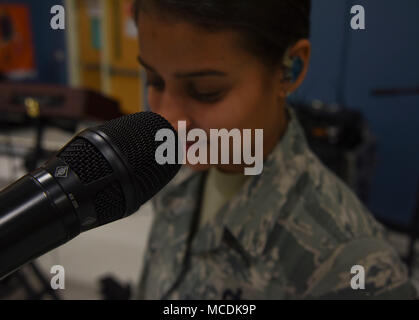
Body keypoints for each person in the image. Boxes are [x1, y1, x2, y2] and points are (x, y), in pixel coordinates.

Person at [133, 0, 416, 299]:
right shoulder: (172, 173)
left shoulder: (352, 267)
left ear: (289, 69)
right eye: (154, 81)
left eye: (206, 92)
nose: (168, 121)